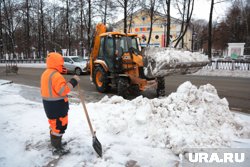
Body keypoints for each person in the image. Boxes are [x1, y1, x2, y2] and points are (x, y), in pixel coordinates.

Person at [40, 52, 80, 154]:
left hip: (50, 105)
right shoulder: (55, 75)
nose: (63, 65)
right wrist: (73, 82)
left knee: (54, 125)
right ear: (57, 63)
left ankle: (56, 143)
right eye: (61, 63)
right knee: (59, 126)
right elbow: (63, 90)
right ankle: (57, 148)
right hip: (57, 106)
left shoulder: (46, 73)